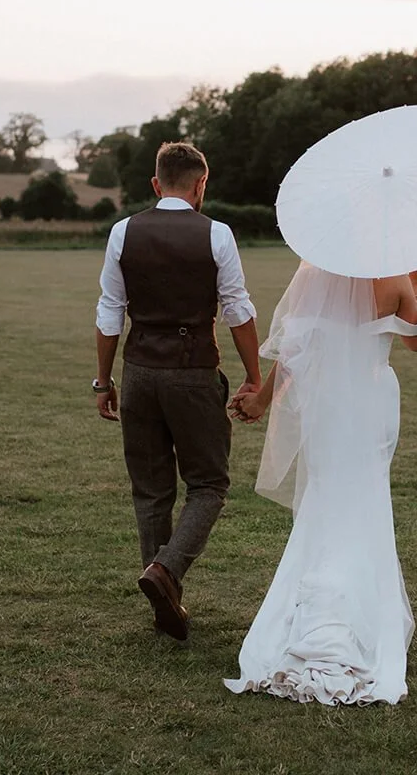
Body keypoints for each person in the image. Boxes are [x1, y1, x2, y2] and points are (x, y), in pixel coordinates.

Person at [222, 261, 417, 705]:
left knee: (327, 503)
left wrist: (262, 399)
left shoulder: (317, 275)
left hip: (328, 409)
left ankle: (317, 609)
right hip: (371, 406)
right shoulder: (394, 278)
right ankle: (349, 619)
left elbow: (296, 349)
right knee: (364, 504)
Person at [92, 141, 262, 641]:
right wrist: (253, 375)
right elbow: (238, 309)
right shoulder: (218, 234)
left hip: (140, 370)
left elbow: (109, 311)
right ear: (201, 184)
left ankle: (164, 599)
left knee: (151, 490)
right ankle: (166, 574)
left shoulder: (124, 231)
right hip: (193, 373)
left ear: (155, 183)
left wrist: (104, 381)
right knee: (209, 484)